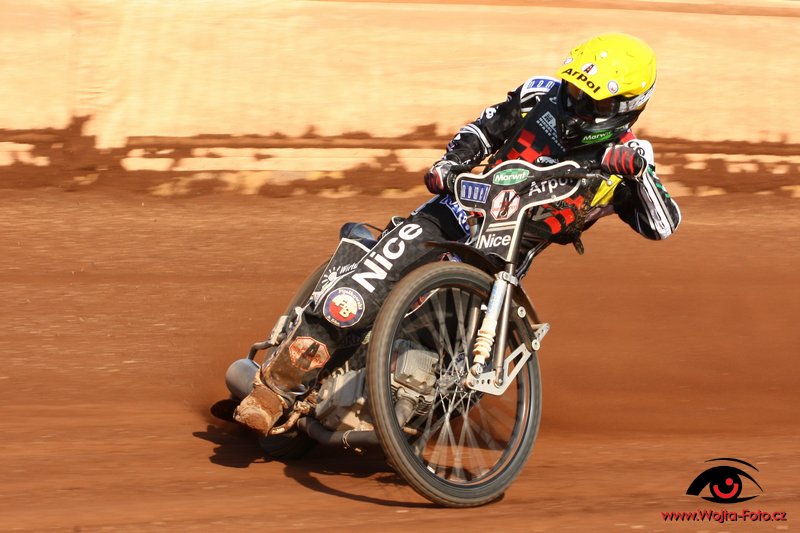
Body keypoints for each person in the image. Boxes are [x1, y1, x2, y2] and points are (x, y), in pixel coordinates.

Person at [233, 32, 682, 435]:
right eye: (574, 90)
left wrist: (638, 172)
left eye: (591, 101)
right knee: (365, 288)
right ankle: (275, 388)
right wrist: (451, 163)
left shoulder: (625, 159)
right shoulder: (540, 94)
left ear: (626, 107)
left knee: (453, 360)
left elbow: (663, 224)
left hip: (501, 259)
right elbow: (483, 130)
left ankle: (388, 408)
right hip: (455, 211)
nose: (575, 103)